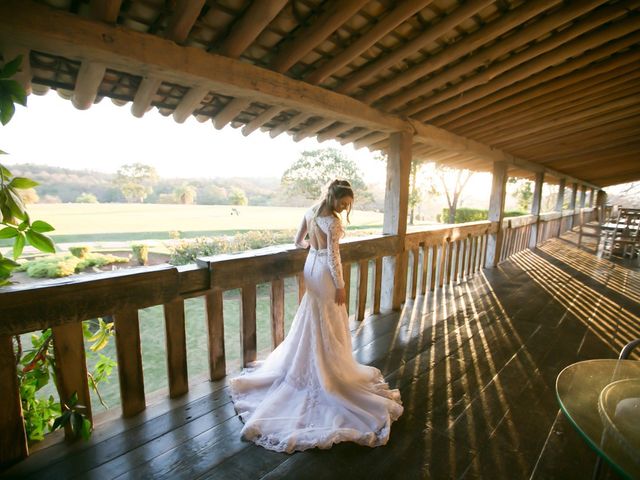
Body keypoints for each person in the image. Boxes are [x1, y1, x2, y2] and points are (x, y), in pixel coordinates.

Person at [229, 179, 403, 453]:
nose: (345, 208)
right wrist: (341, 286)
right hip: (324, 272)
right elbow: (334, 257)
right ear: (334, 198)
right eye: (343, 203)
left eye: (348, 205)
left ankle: (310, 364)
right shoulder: (332, 222)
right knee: (330, 321)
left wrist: (312, 250)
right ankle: (327, 371)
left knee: (313, 319)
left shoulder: (310, 212)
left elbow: (298, 241)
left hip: (310, 267)